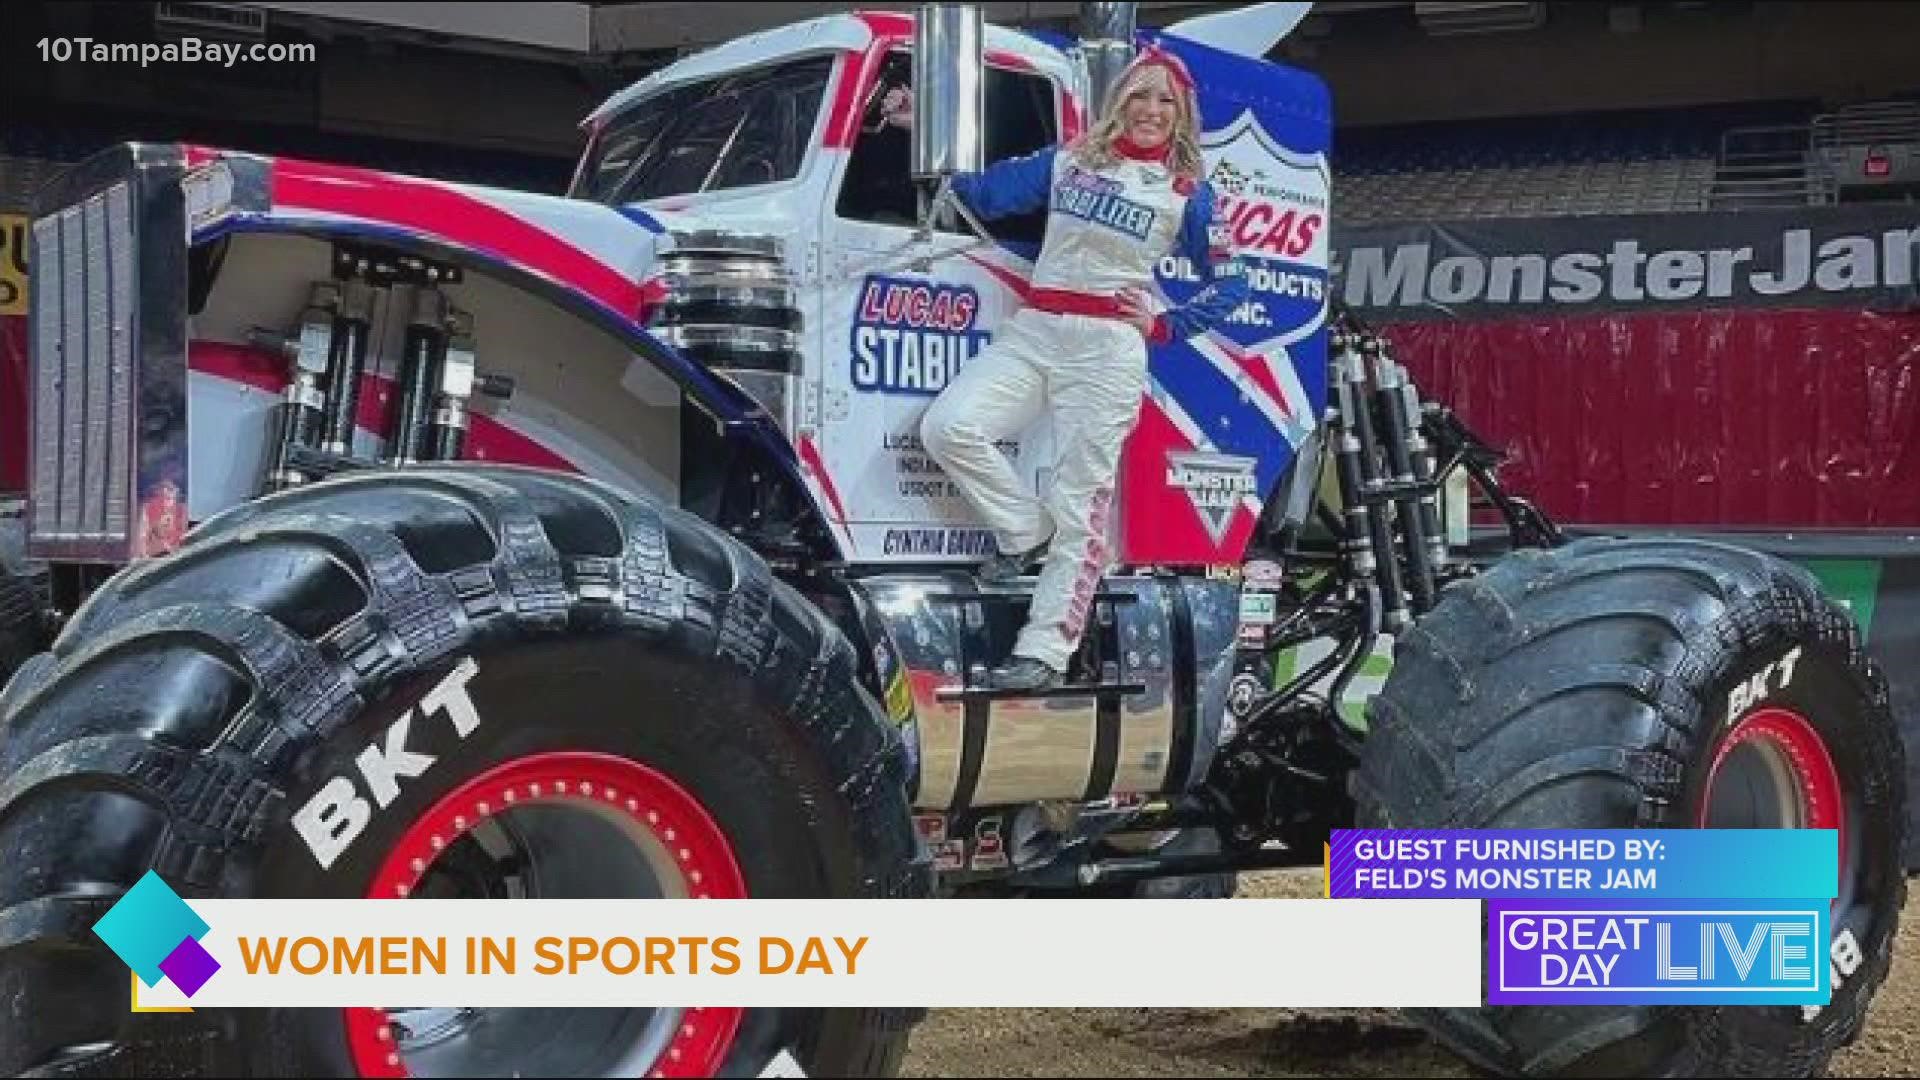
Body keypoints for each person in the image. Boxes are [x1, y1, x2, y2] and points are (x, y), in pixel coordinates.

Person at [897, 46, 1249, 691]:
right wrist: (921, 126)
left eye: (1164, 100)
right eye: (1139, 95)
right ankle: (1022, 532)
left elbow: (1233, 286)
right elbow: (982, 193)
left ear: (1181, 116)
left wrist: (1167, 325)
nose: (1150, 109)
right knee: (950, 428)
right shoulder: (1067, 162)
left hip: (1107, 347)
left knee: (1080, 498)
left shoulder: (1188, 193)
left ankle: (1045, 649)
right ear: (1119, 102)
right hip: (1033, 330)